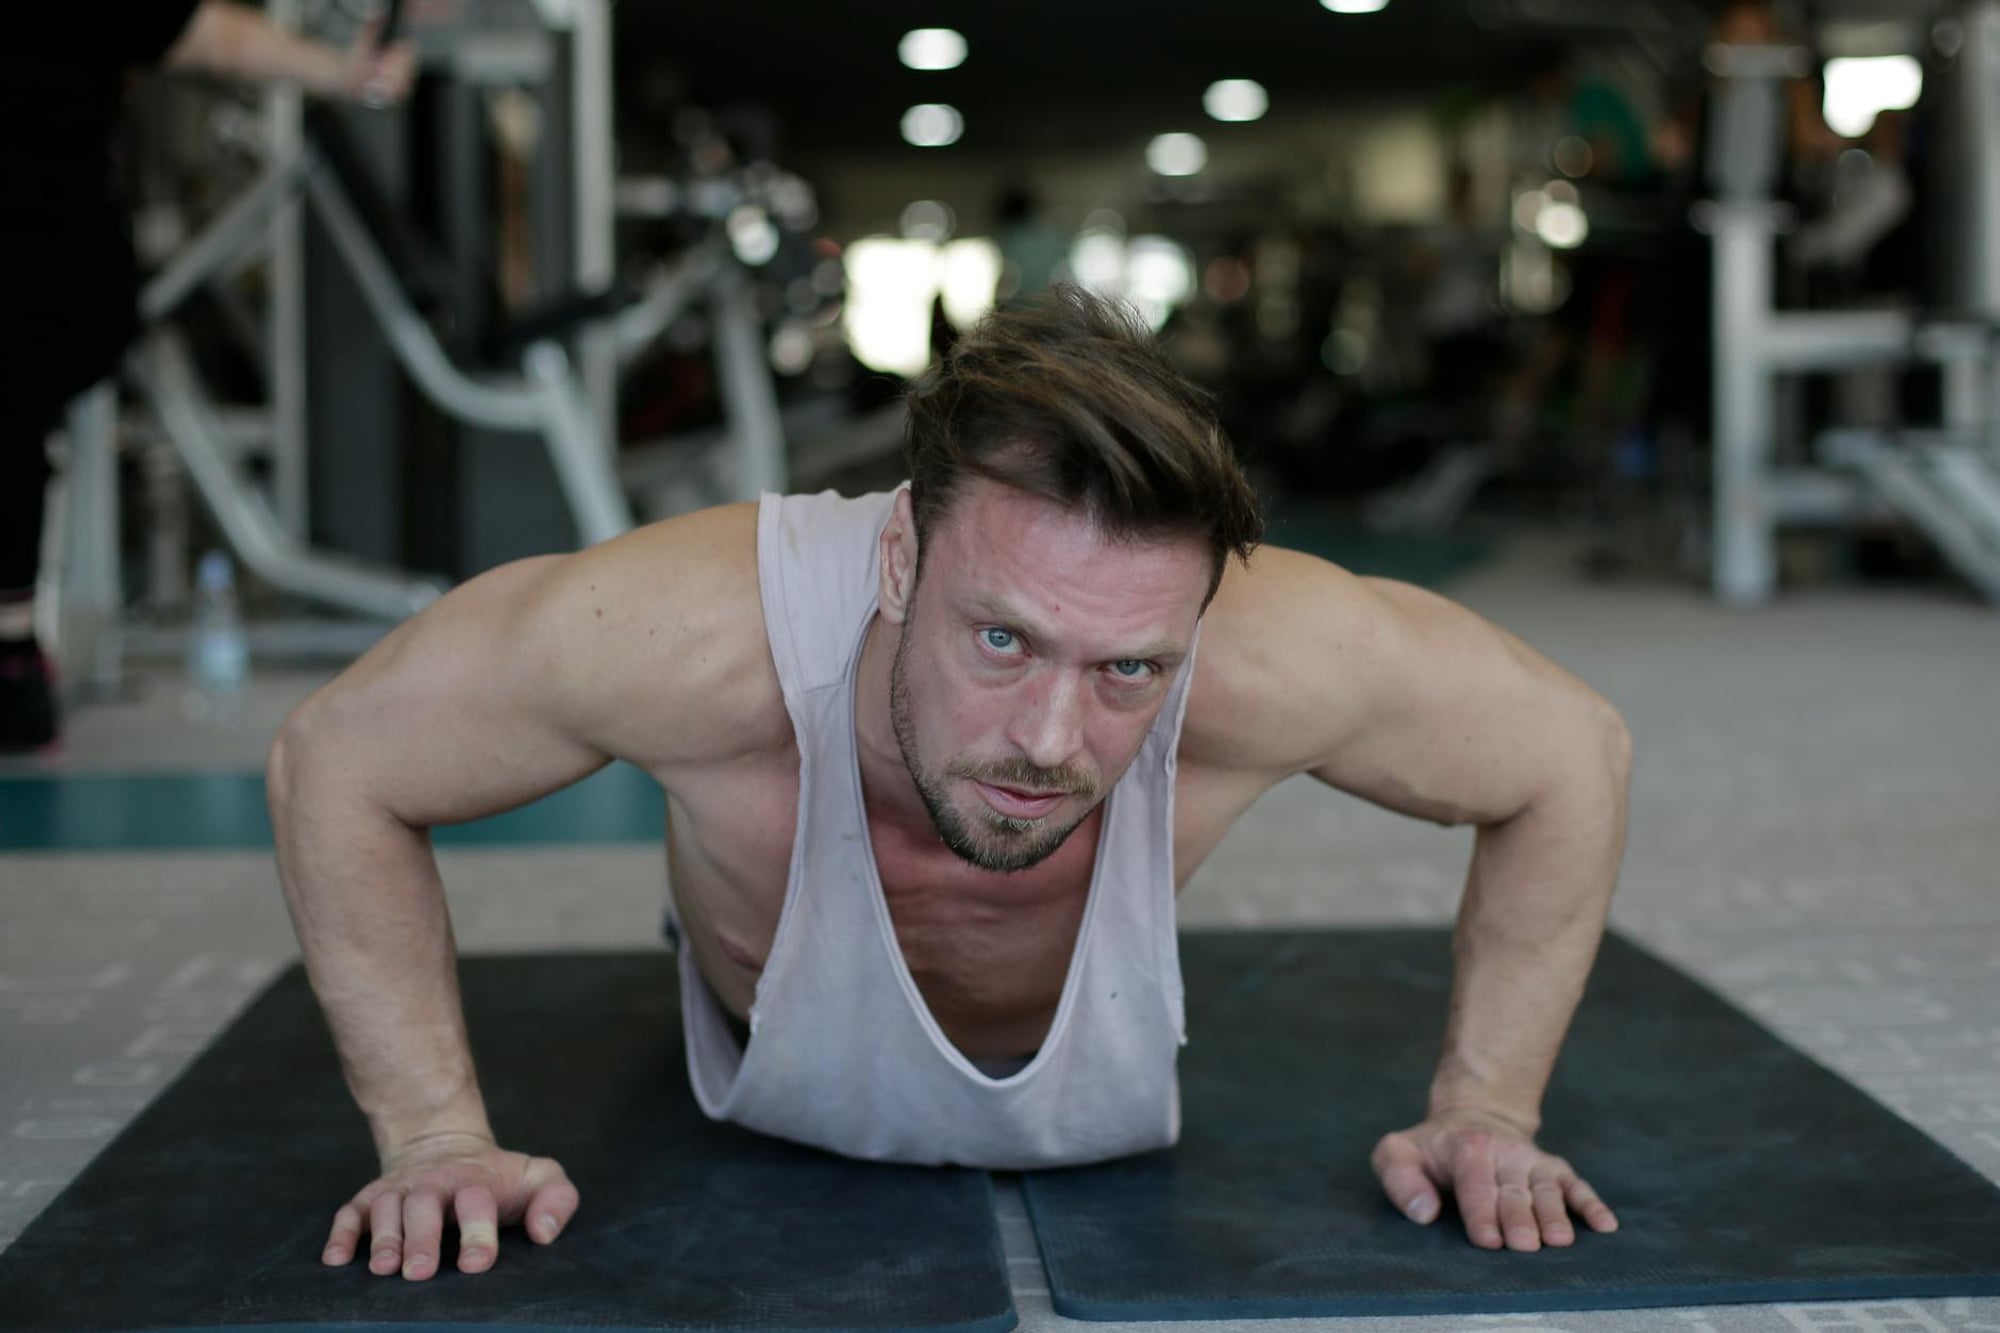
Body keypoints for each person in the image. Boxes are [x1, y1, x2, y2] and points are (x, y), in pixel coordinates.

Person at [270, 286, 1631, 1283]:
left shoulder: (1274, 652)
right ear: (897, 561)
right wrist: (433, 1136)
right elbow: (338, 758)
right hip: (769, 1011)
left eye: (1128, 669)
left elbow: (1574, 755)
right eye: (1002, 640)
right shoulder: (686, 634)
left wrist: (1487, 1110)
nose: (1049, 738)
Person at [0, 3, 415, 752]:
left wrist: (343, 71)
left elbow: (210, 38)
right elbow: (212, 40)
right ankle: (14, 650)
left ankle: (14, 648)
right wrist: (343, 71)